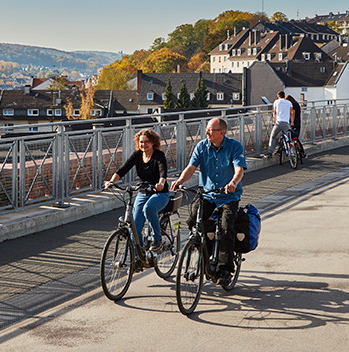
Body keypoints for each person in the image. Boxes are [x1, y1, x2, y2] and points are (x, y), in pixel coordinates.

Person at [171, 117, 246, 281]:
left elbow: (239, 169)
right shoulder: (202, 146)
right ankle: (208, 251)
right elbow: (191, 167)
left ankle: (225, 269)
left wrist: (233, 182)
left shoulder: (234, 146)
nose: (206, 132)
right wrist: (180, 181)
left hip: (228, 196)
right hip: (208, 194)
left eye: (210, 130)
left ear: (221, 132)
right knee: (192, 221)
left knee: (226, 228)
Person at [105, 129, 170, 252]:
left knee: (149, 208)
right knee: (135, 227)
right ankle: (137, 258)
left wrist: (161, 183)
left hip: (159, 193)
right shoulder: (137, 155)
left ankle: (157, 238)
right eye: (141, 142)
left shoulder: (158, 155)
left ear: (153, 143)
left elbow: (163, 172)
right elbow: (123, 170)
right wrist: (112, 181)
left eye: (146, 142)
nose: (143, 145)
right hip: (144, 191)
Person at [265, 91, 293, 158]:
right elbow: (291, 112)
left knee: (273, 136)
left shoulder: (276, 102)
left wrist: (274, 121)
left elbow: (275, 112)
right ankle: (291, 151)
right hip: (286, 123)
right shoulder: (289, 102)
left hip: (278, 122)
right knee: (289, 138)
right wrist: (292, 122)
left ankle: (270, 152)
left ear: (278, 96)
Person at [286, 92, 305, 159]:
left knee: (290, 137)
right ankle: (302, 152)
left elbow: (292, 113)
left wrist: (292, 122)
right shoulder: (297, 104)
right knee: (296, 138)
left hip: (293, 124)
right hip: (298, 124)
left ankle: (291, 151)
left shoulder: (292, 106)